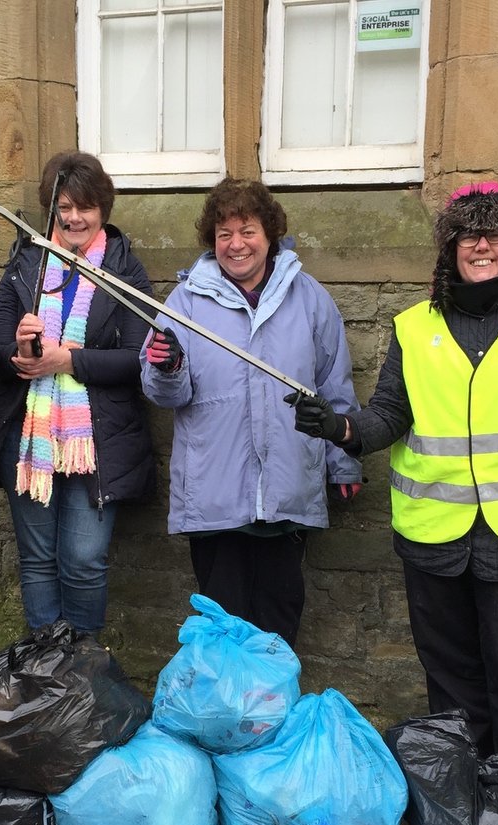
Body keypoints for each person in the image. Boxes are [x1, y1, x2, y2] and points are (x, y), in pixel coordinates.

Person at [287, 182, 498, 764]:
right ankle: (467, 814)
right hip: (434, 539)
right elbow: (390, 414)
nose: (480, 245)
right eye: (467, 235)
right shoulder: (414, 327)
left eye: (493, 234)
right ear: (450, 249)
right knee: (452, 685)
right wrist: (340, 429)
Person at [141, 177, 362, 647]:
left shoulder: (310, 299)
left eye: (248, 232)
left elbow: (333, 386)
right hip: (214, 493)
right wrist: (167, 367)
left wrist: (345, 460)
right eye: (224, 234)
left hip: (286, 487)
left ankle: (271, 718)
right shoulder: (184, 303)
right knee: (222, 624)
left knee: (278, 622)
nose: (236, 245)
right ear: (212, 240)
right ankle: (227, 720)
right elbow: (164, 393)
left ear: (270, 235)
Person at [0, 151, 155, 635]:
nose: (73, 217)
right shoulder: (26, 263)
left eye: (84, 207)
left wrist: (70, 360)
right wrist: (22, 353)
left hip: (98, 438)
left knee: (84, 559)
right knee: (38, 559)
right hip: (28, 433)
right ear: (50, 208)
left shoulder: (123, 269)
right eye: (63, 206)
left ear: (103, 209)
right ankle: (45, 669)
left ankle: (82, 673)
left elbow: (139, 358)